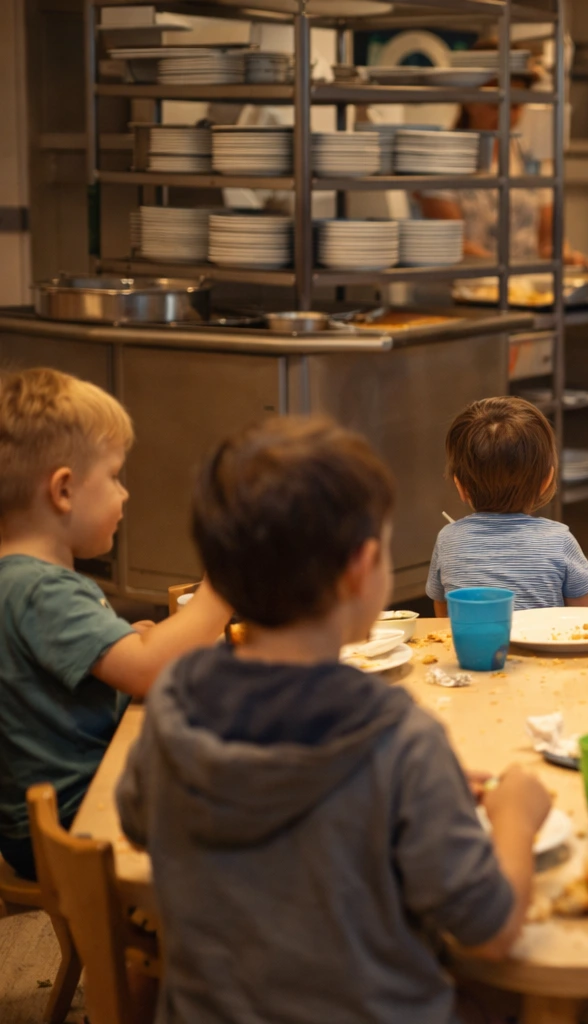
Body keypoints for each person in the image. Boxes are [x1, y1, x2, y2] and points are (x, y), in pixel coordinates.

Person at [116, 417, 552, 1024]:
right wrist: (515, 816)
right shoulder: (401, 740)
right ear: (362, 568)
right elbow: (492, 931)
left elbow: (139, 825)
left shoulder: (169, 708)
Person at [0, 368, 230, 881]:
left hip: (41, 823)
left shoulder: (19, 581)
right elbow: (147, 671)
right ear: (62, 490)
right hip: (81, 819)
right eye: (113, 476)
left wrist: (135, 640)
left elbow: (107, 661)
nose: (124, 494)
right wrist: (224, 585)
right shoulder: (42, 589)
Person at [414, 45, 586, 265]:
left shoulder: (532, 157)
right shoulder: (441, 158)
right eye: (495, 105)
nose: (506, 116)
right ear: (468, 100)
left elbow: (548, 241)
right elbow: (454, 244)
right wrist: (506, 273)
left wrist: (564, 256)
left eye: (515, 106)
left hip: (524, 288)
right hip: (462, 282)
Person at [428, 397, 588, 615]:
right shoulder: (559, 540)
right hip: (541, 648)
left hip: (472, 649)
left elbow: (443, 617)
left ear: (461, 487)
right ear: (546, 480)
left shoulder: (447, 539)